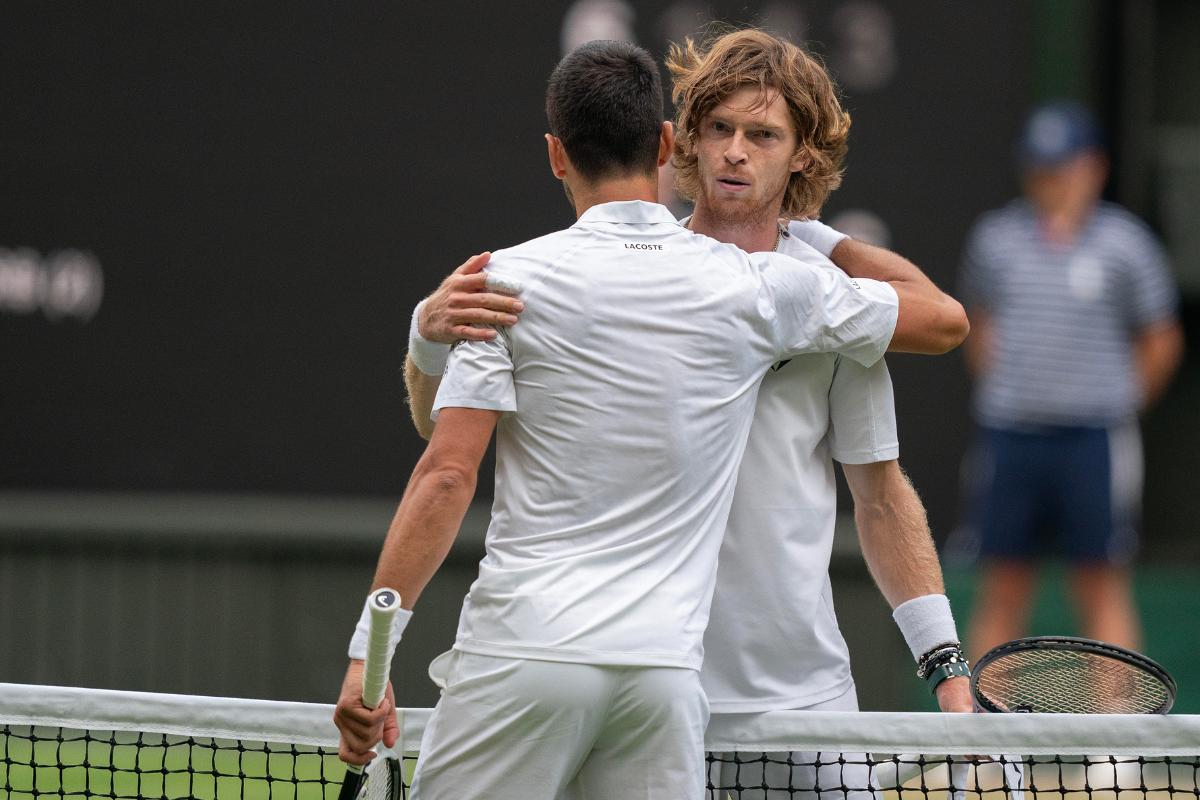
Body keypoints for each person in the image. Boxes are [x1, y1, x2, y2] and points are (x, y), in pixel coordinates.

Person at [335, 39, 948, 800]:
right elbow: (947, 322)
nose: (735, 152)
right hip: (665, 679)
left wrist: (372, 654)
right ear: (670, 143)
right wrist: (430, 330)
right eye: (718, 129)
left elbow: (445, 460)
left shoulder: (511, 279)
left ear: (555, 156)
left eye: (762, 135)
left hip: (693, 680)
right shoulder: (759, 288)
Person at [956, 100, 1184, 661]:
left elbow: (1161, 341)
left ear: (1094, 168)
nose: (1050, 180)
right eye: (1039, 167)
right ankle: (986, 748)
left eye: (1062, 166)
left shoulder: (1127, 244)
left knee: (1100, 584)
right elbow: (979, 328)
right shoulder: (996, 240)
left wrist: (1116, 401)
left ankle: (1117, 751)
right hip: (1011, 437)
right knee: (1003, 585)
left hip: (1093, 441)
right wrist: (1020, 389)